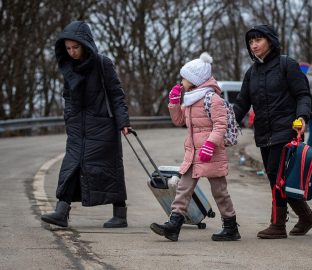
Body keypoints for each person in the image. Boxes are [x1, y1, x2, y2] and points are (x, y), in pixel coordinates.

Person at [41, 21, 131, 228]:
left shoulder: (103, 63)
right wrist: (69, 116)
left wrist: (123, 121)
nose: (72, 52)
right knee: (71, 167)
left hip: (102, 127)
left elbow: (116, 94)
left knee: (109, 169)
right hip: (77, 129)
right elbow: (68, 96)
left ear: (85, 44)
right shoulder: (68, 67)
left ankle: (120, 215)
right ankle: (61, 212)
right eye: (68, 48)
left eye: (76, 47)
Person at [233, 25, 312, 239]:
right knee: (277, 176)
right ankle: (306, 217)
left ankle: (277, 225)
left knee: (277, 175)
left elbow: (303, 95)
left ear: (270, 40)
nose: (254, 45)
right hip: (264, 132)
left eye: (258, 40)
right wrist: (227, 123)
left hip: (287, 129)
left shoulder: (287, 64)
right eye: (251, 42)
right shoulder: (252, 72)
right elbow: (242, 103)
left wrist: (302, 117)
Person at [150, 52, 240, 242]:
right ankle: (173, 226)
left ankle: (231, 226)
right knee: (183, 188)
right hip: (193, 153)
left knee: (220, 192)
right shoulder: (190, 99)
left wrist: (209, 144)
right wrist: (174, 103)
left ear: (195, 79)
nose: (182, 81)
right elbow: (179, 121)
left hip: (211, 152)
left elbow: (220, 125)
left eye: (185, 77)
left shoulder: (212, 99)